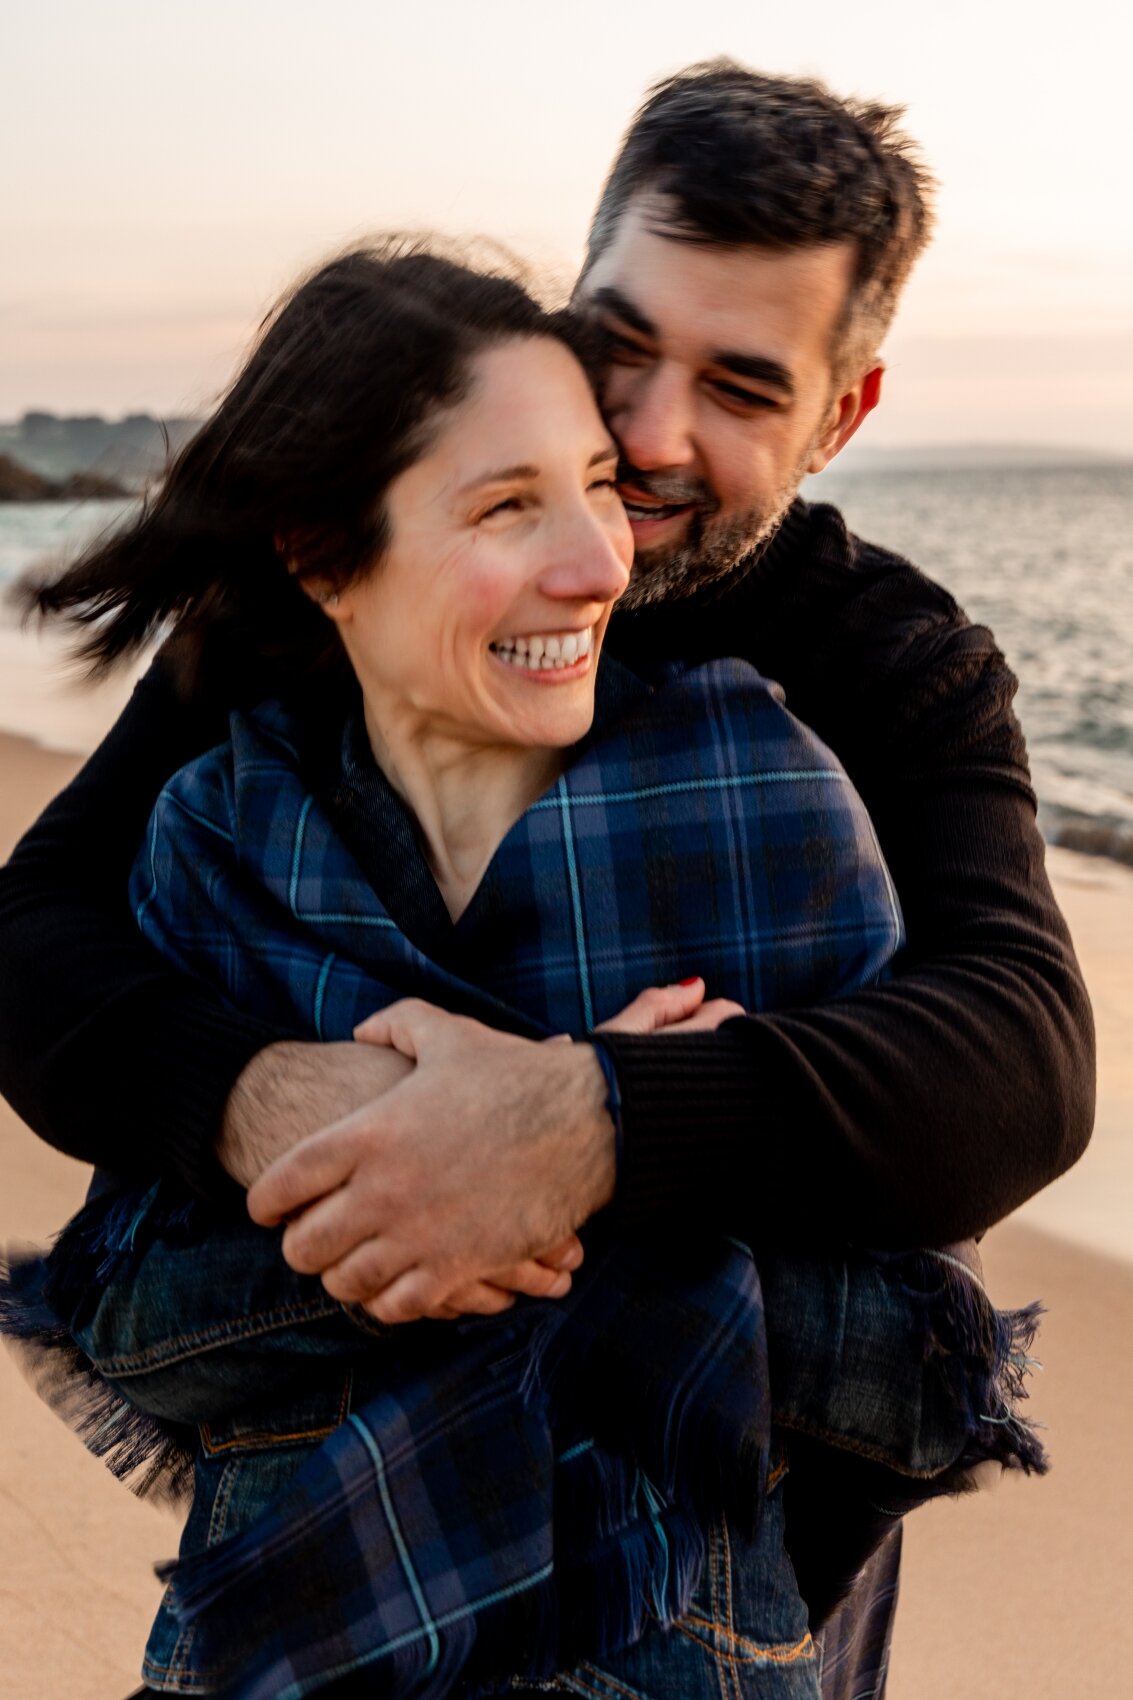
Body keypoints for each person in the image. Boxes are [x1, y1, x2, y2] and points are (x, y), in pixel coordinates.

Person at [0, 55, 1091, 1692]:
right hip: (333, 1548)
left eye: (739, 388)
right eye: (619, 344)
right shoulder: (323, 604)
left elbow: (1019, 1060)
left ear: (841, 415)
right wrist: (277, 1104)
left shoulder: (885, 664)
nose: (644, 440)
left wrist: (591, 1123)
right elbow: (35, 932)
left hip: (747, 1572)